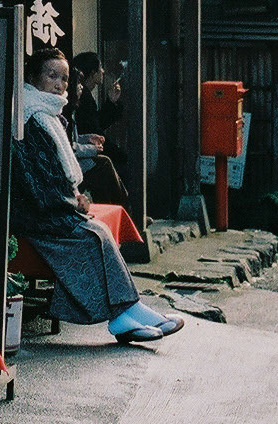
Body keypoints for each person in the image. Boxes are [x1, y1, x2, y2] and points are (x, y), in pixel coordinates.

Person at [13, 47, 181, 344]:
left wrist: (72, 197)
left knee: (99, 231)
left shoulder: (46, 112)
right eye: (52, 76)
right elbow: (34, 178)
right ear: (33, 77)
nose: (59, 84)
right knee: (94, 235)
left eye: (64, 79)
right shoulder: (29, 117)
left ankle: (127, 312)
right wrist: (72, 201)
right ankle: (125, 313)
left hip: (50, 207)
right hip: (36, 214)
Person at [71, 50, 129, 182]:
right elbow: (93, 128)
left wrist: (111, 102)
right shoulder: (83, 97)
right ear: (92, 72)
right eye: (100, 68)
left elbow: (95, 123)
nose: (103, 71)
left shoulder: (85, 96)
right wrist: (119, 154)